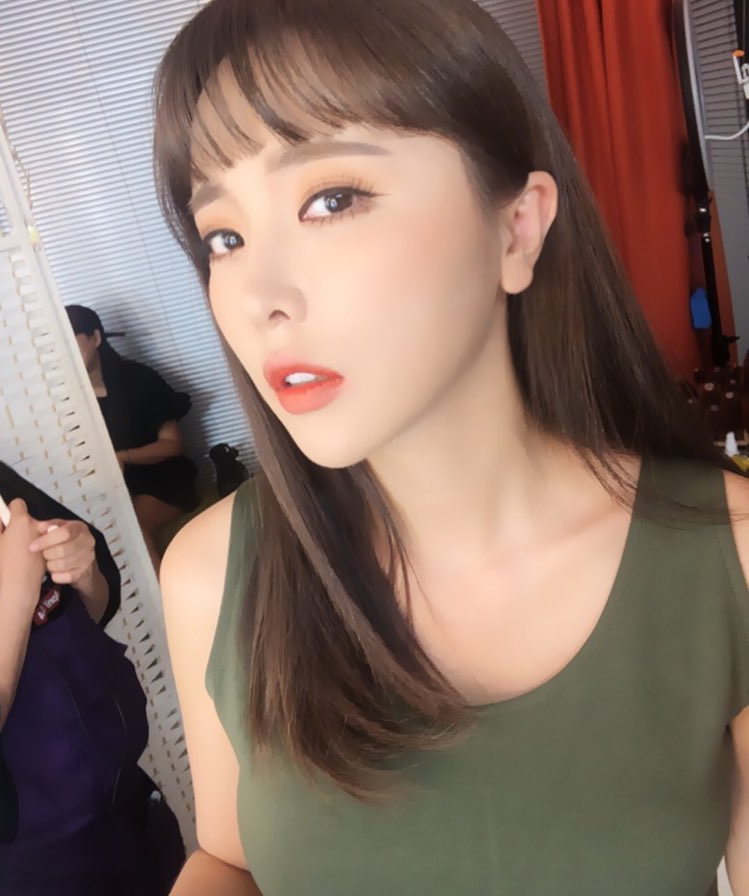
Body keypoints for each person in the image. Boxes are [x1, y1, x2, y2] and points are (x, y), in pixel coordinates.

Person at [152, 0, 749, 893]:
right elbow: (229, 859)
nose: (258, 296)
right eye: (224, 238)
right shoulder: (212, 573)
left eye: (331, 199)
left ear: (516, 228)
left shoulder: (727, 557)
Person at [0, 455, 185, 894]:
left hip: (130, 797)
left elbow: (89, 606)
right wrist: (16, 593)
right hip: (42, 859)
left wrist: (83, 568)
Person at [65, 304, 200, 572]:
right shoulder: (68, 399)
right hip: (114, 488)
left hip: (162, 479)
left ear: (95, 337)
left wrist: (124, 457)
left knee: (131, 526)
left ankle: (161, 595)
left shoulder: (138, 379)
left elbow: (172, 445)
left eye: (72, 339)